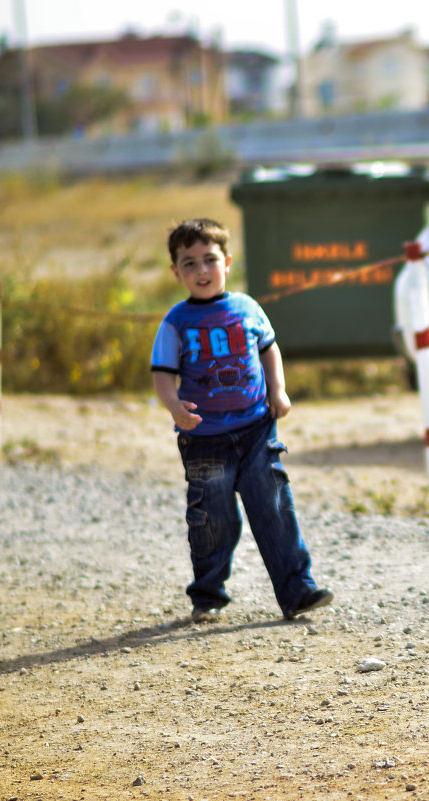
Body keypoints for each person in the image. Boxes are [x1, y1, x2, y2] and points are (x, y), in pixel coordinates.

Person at [151, 217, 333, 624]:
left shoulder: (247, 308)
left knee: (274, 507)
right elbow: (161, 373)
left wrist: (278, 390)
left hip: (255, 430)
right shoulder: (175, 322)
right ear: (175, 271)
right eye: (189, 263)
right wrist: (174, 406)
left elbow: (269, 349)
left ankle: (297, 590)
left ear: (228, 261)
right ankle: (208, 593)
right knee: (213, 519)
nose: (201, 271)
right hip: (204, 439)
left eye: (210, 260)